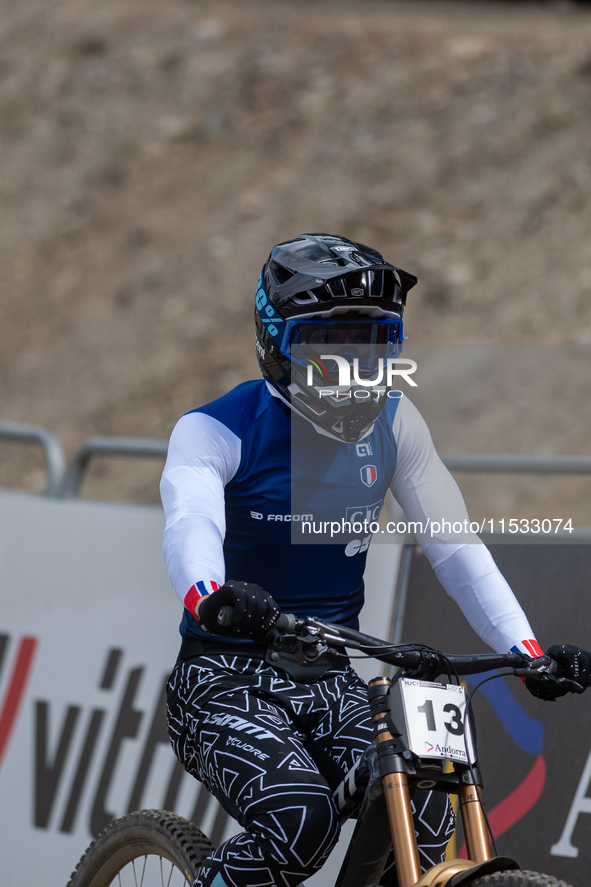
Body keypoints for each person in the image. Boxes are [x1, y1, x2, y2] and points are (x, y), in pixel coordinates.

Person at [161, 233, 590, 887]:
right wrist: (208, 594)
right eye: (329, 344)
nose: (354, 364)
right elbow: (191, 520)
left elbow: (455, 549)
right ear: (276, 342)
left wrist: (525, 649)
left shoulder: (396, 421)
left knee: (424, 813)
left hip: (328, 676)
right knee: (298, 822)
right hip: (223, 680)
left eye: (372, 341)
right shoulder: (217, 428)